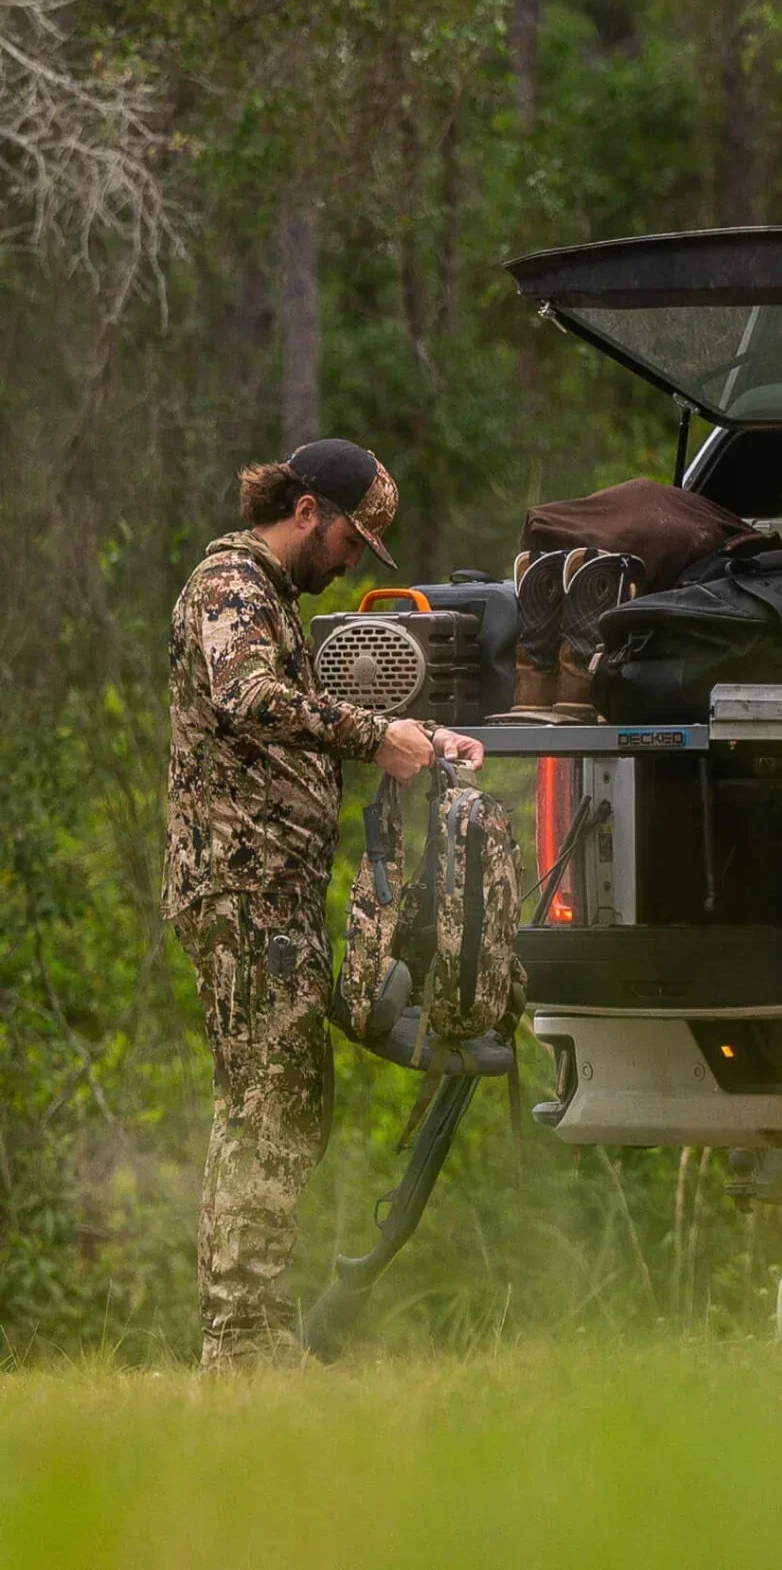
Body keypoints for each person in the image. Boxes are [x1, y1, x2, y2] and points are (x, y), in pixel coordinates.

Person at [161, 438, 484, 1370]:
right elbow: (246, 696)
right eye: (351, 540)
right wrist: (377, 736)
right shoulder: (232, 583)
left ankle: (249, 1334)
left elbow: (296, 706)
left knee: (282, 1097)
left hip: (266, 892)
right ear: (308, 509)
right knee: (273, 1099)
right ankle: (243, 1341)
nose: (350, 564)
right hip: (240, 888)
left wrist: (417, 734)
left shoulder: (268, 597)